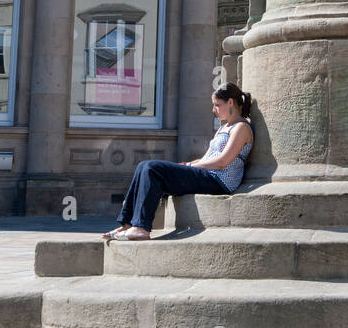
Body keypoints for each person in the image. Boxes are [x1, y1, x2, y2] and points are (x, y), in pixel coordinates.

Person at [102, 84, 254, 241]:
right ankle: (128, 224)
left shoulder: (241, 128)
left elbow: (222, 161)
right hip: (207, 174)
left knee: (152, 168)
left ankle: (141, 228)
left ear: (230, 102)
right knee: (143, 166)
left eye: (217, 105)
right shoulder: (224, 128)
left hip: (219, 180)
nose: (213, 110)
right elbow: (205, 159)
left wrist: (190, 166)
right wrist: (185, 165)